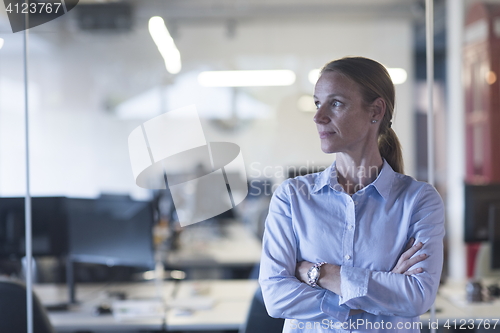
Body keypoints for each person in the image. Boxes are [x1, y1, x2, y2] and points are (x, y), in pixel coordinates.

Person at [259, 57, 445, 332]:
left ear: (376, 111)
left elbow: (417, 297)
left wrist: (320, 273)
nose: (318, 116)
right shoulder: (292, 197)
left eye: (335, 103)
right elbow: (275, 298)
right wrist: (377, 292)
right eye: (317, 103)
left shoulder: (418, 200)